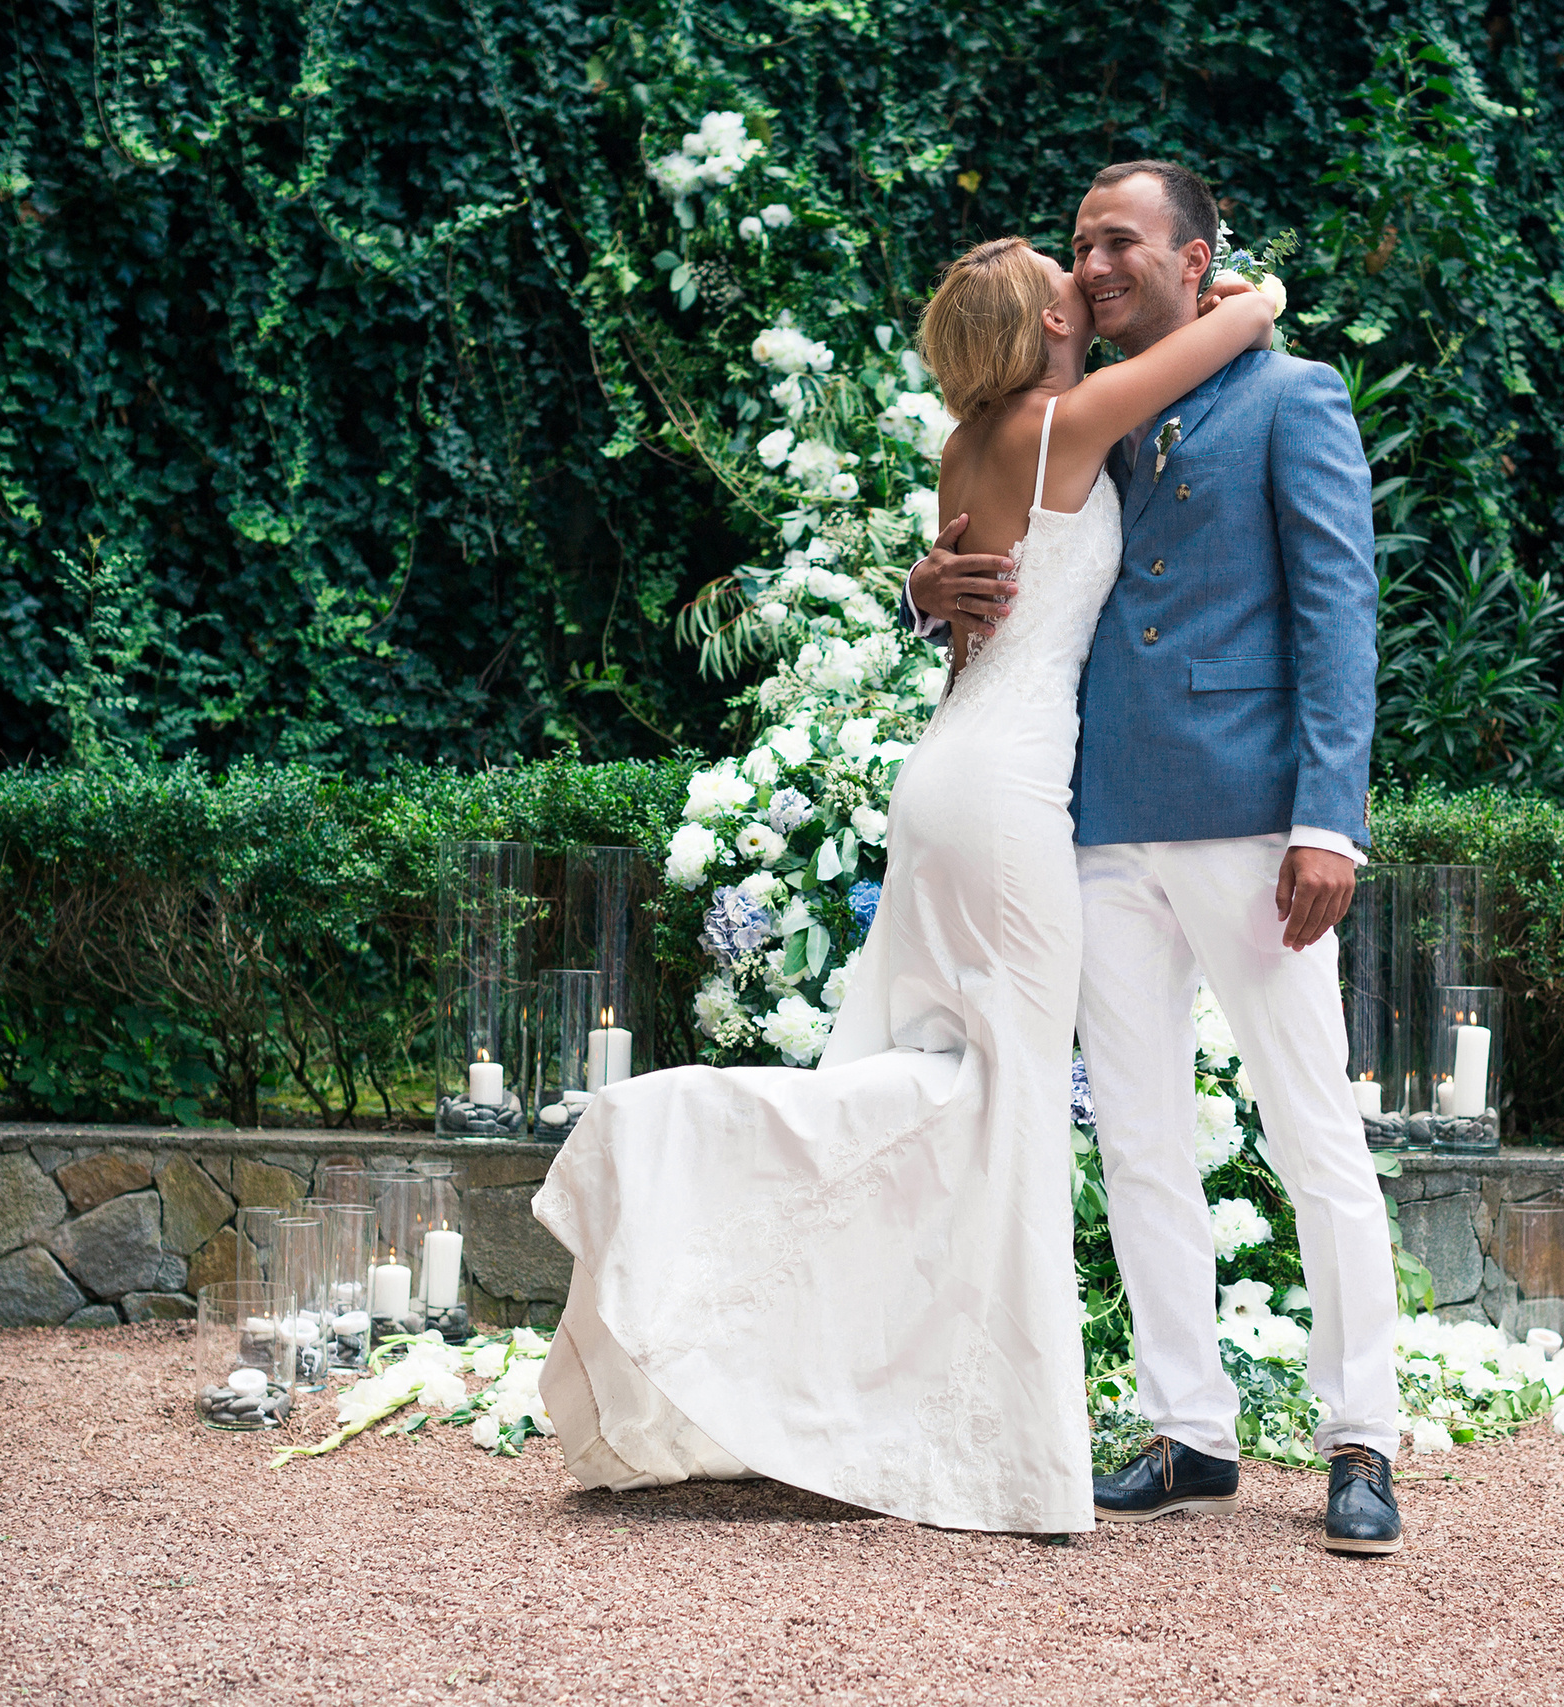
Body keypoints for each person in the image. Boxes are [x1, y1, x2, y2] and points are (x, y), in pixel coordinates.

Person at [527, 225, 1278, 1534]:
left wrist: (919, 597)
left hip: (949, 776)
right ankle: (1010, 1451)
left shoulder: (966, 445)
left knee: (936, 1083)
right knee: (1013, 1103)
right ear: (1044, 330)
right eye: (1067, 287)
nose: (1088, 292)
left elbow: (957, 620)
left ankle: (747, 1250)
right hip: (1009, 792)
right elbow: (1237, 327)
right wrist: (1249, 286)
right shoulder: (1065, 422)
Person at [908, 161, 1401, 1555]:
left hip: (1255, 825)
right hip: (1099, 820)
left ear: (1199, 257)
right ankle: (1191, 1431)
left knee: (1314, 1132)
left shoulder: (1290, 396)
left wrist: (1329, 821)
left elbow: (1340, 619)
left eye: (1120, 240)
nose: (1096, 262)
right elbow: (1001, 559)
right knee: (1135, 1136)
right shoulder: (1072, 409)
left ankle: (1361, 1434)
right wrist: (920, 587)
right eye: (1081, 245)